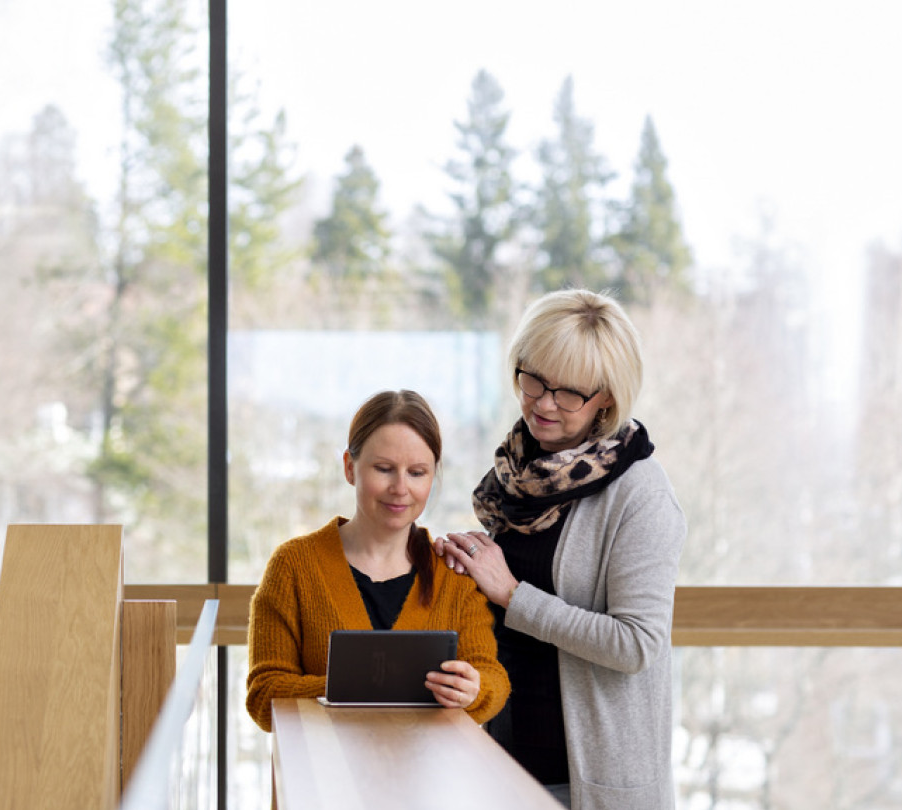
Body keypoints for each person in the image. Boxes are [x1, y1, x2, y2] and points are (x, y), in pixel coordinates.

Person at [439, 289, 686, 810]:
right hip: (498, 764)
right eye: (534, 380)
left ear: (607, 400)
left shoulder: (640, 494)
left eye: (569, 392)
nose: (543, 403)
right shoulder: (515, 476)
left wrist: (510, 593)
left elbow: (636, 644)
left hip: (585, 785)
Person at [245, 389, 510, 733]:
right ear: (349, 468)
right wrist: (355, 688)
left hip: (429, 778)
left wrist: (474, 690)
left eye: (417, 473)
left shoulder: (453, 574)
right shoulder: (294, 565)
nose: (400, 488)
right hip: (324, 775)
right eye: (384, 469)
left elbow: (492, 678)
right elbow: (263, 695)